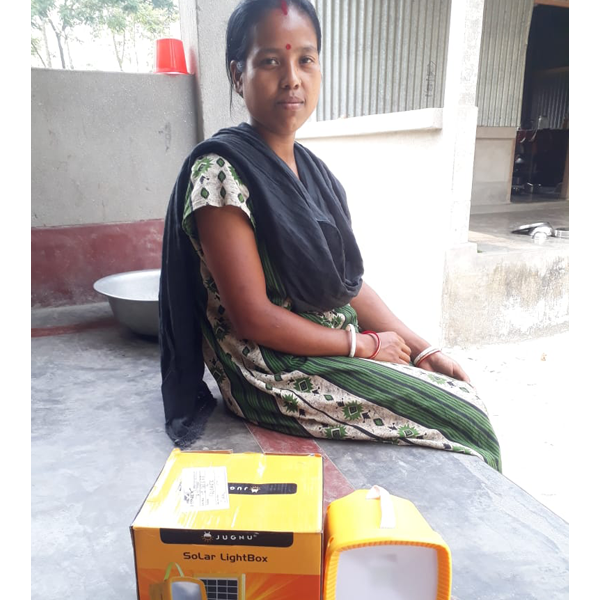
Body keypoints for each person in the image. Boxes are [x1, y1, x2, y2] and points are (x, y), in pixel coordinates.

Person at [159, 0, 501, 471]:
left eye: (306, 59)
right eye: (271, 61)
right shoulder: (220, 171)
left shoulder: (315, 175)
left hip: (327, 341)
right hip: (271, 371)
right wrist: (361, 346)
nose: (292, 78)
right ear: (238, 75)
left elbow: (348, 284)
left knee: (460, 389)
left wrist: (424, 347)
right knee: (465, 417)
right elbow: (253, 317)